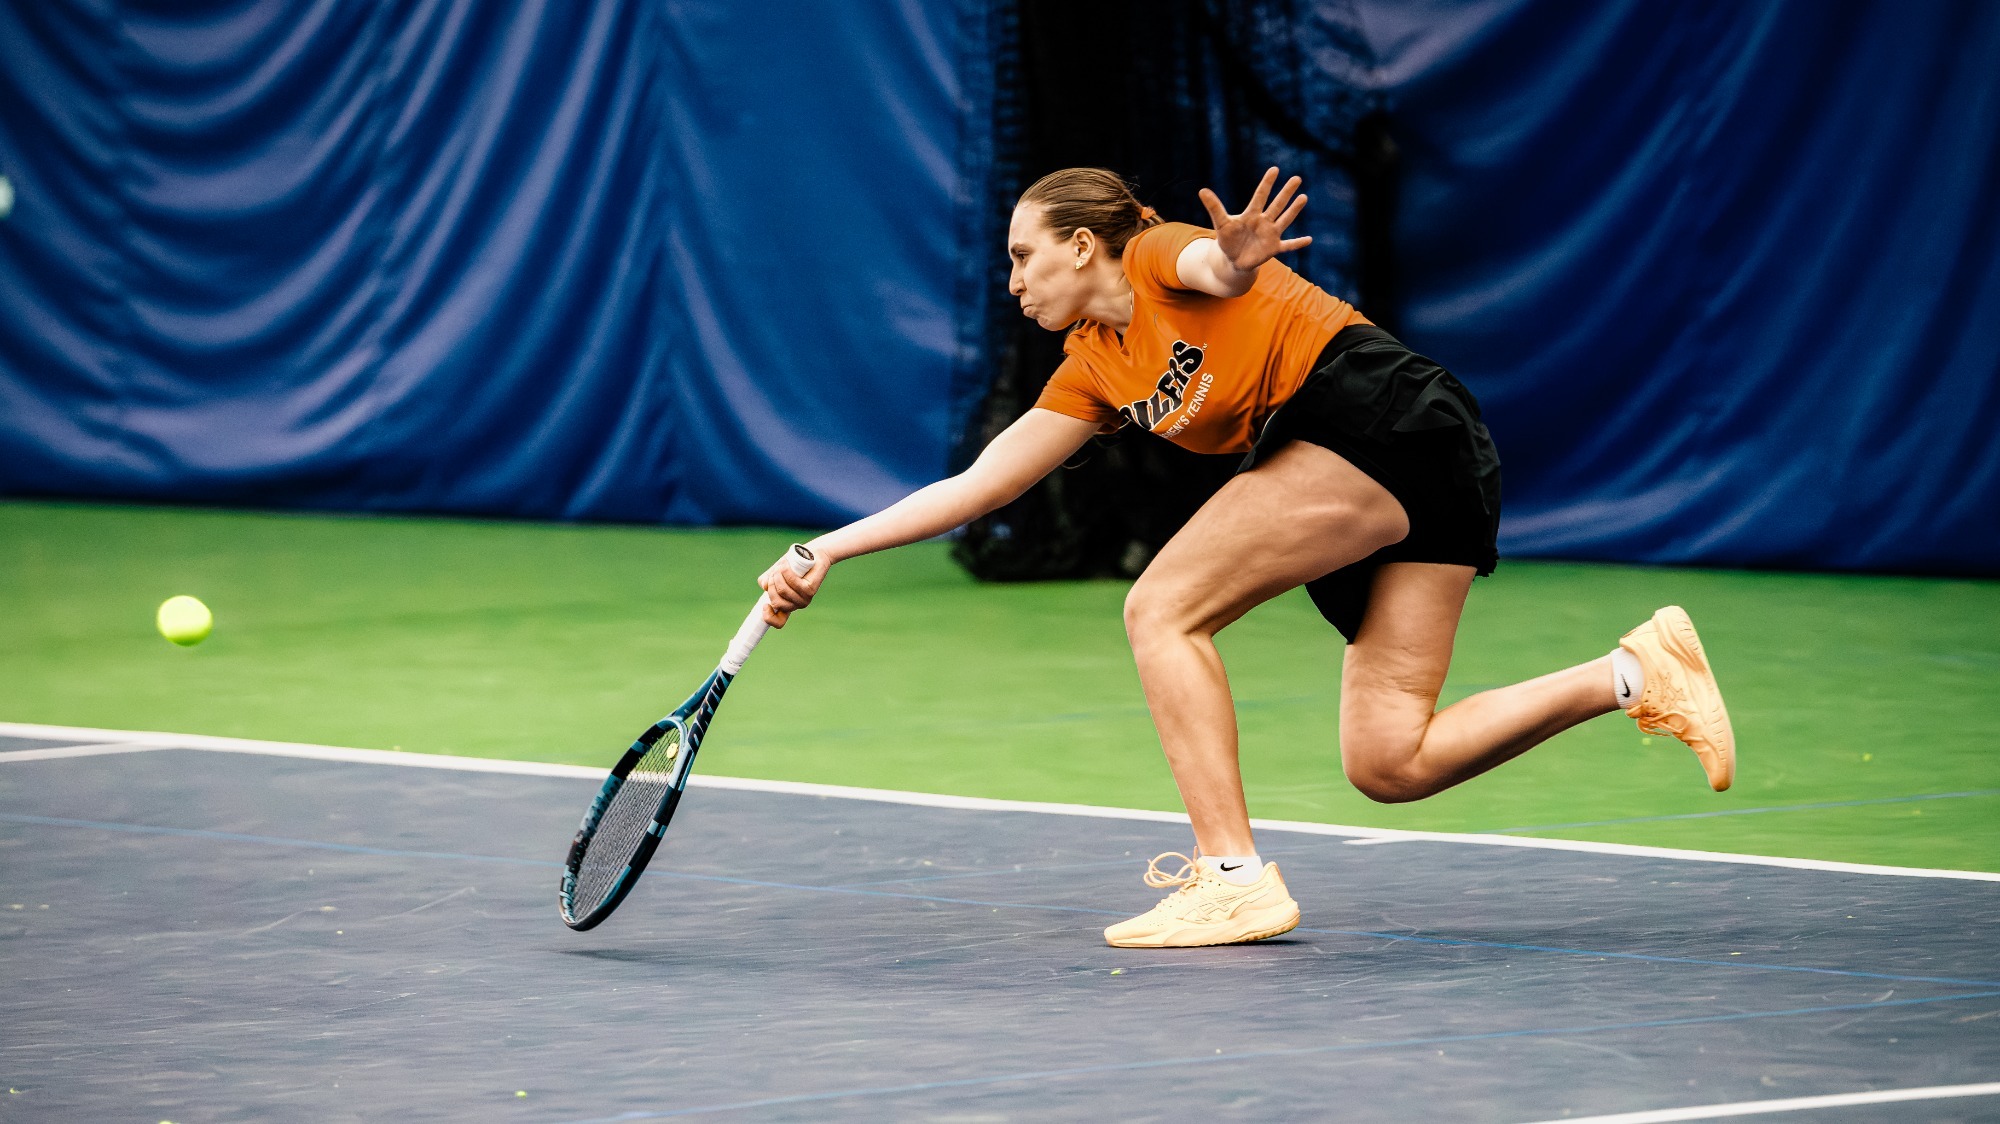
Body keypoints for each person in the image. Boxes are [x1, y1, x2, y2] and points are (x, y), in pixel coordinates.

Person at [757, 166, 1735, 949]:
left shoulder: (1150, 255)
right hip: (1404, 460)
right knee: (1390, 760)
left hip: (1375, 415)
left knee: (1160, 608)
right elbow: (980, 485)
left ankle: (1230, 876)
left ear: (1082, 244)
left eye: (1023, 255)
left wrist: (1231, 256)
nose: (1012, 280)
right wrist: (823, 548)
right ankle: (1632, 672)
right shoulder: (1092, 366)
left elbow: (1213, 269)